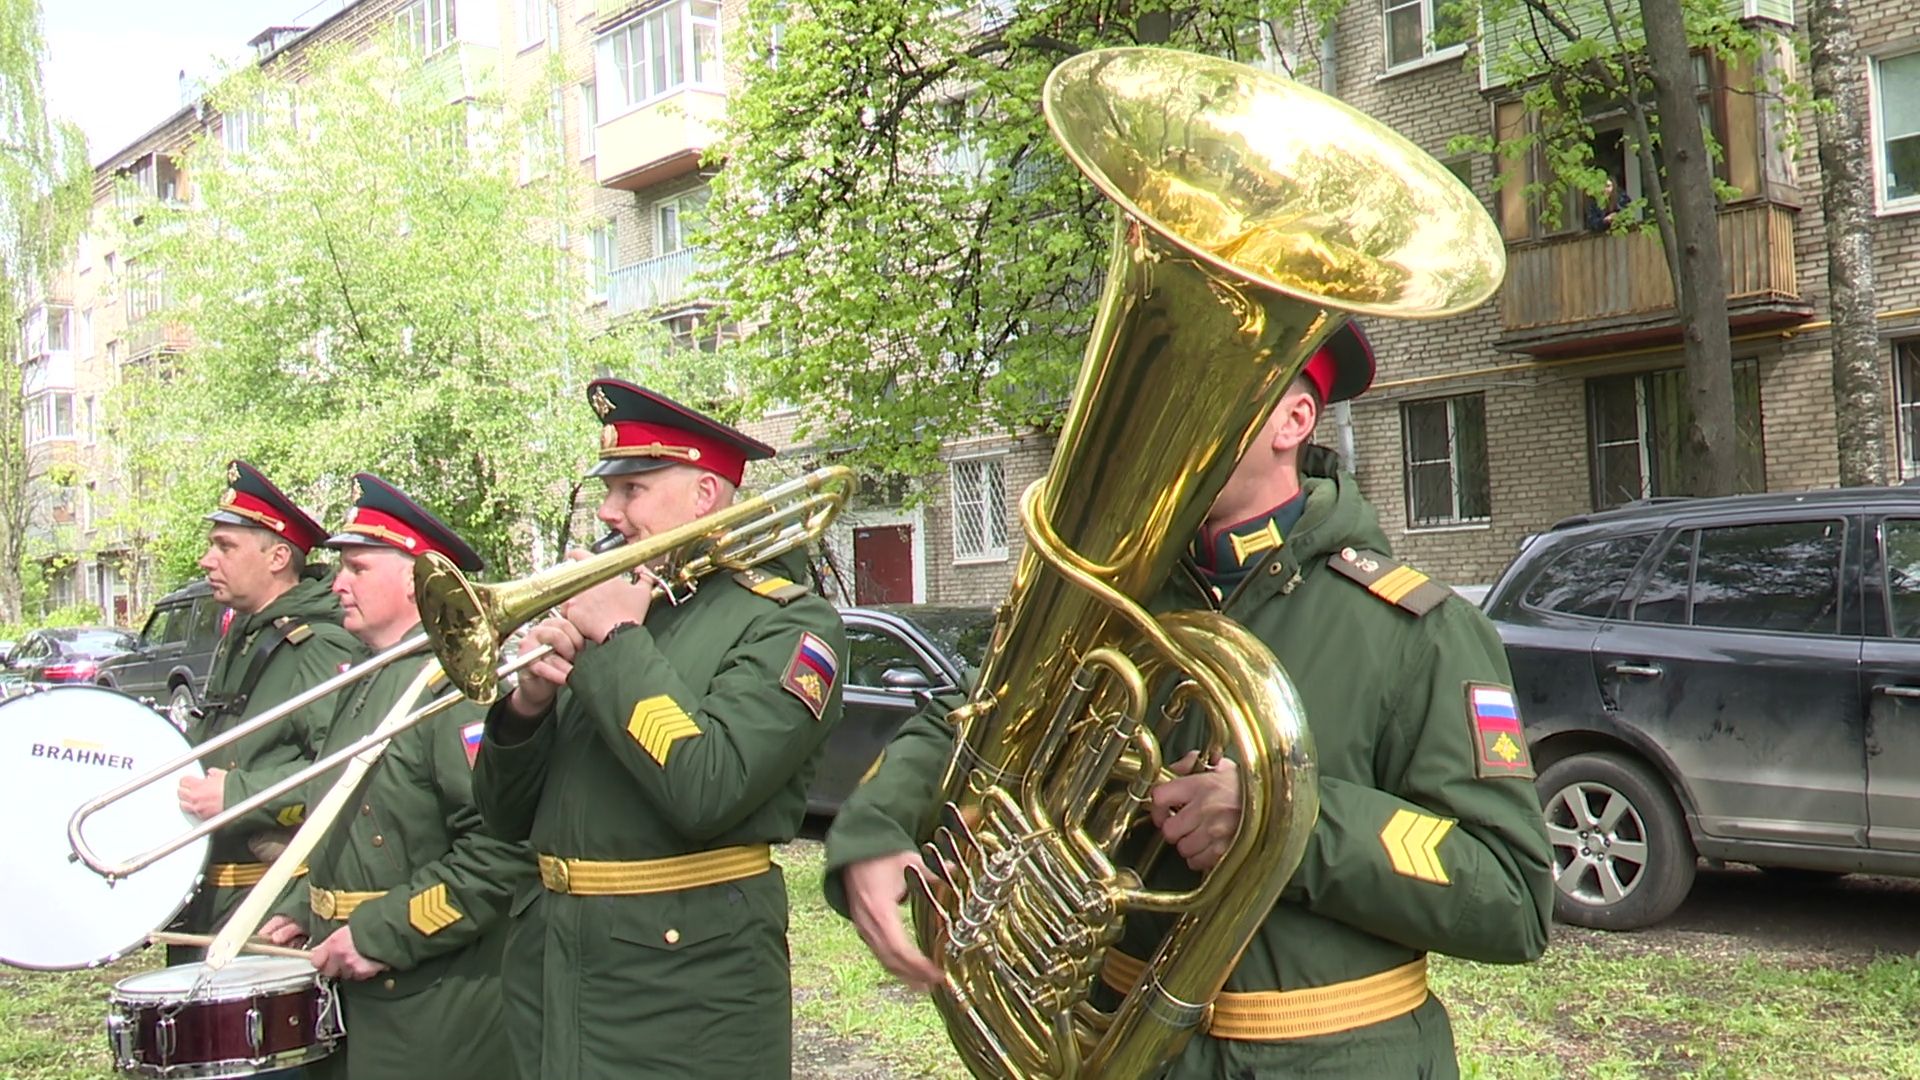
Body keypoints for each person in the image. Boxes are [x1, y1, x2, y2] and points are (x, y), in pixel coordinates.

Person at [826, 323, 1553, 1078]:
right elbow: (978, 716)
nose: (1163, 425)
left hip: (1333, 1060)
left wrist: (1283, 823)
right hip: (1116, 1055)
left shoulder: (1422, 630)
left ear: (1293, 421)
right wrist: (878, 826)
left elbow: (1510, 893)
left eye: (1203, 395)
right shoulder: (1114, 600)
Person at [472, 378, 849, 1080]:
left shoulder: (786, 622)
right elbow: (503, 816)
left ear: (704, 495)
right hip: (554, 974)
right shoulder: (637, 604)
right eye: (610, 492)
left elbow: (709, 789)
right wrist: (526, 706)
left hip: (684, 996)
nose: (610, 512)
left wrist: (615, 638)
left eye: (634, 489)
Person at [258, 473, 533, 1080]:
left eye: (357, 567)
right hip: (358, 993)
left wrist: (382, 934)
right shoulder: (367, 678)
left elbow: (499, 854)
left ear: (417, 580)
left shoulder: (451, 689)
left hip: (433, 1007)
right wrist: (308, 905)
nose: (338, 584)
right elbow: (355, 828)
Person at [171, 460, 360, 965]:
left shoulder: (316, 645)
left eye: (225, 546)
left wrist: (237, 795)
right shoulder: (249, 633)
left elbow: (347, 772)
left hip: (267, 908)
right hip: (217, 899)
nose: (207, 560)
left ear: (278, 557)